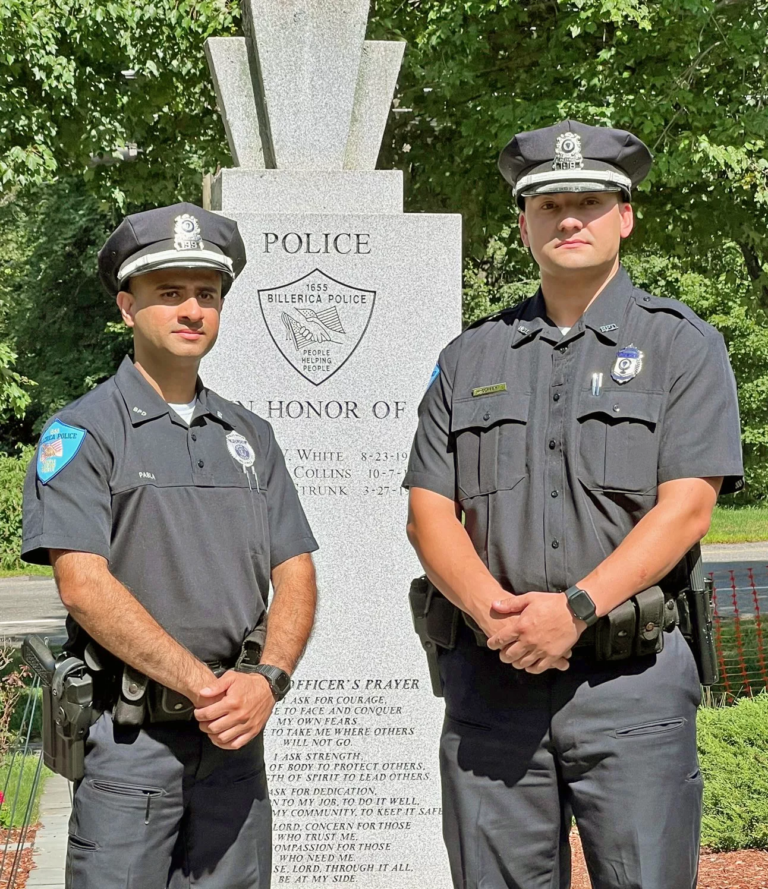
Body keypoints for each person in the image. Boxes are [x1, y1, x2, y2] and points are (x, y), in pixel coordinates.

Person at [403, 120, 743, 889]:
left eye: (589, 201)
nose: (569, 219)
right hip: (493, 690)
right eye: (549, 204)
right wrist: (501, 619)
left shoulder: (682, 346)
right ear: (523, 223)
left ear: (624, 215)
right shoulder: (469, 358)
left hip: (632, 689)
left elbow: (687, 507)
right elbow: (429, 511)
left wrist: (578, 607)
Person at [22, 202, 319, 889]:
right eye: (168, 293)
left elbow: (296, 570)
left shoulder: (252, 438)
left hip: (235, 747)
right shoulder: (85, 432)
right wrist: (206, 687)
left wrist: (267, 680)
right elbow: (84, 584)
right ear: (128, 307)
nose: (192, 309)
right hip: (131, 748)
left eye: (206, 294)